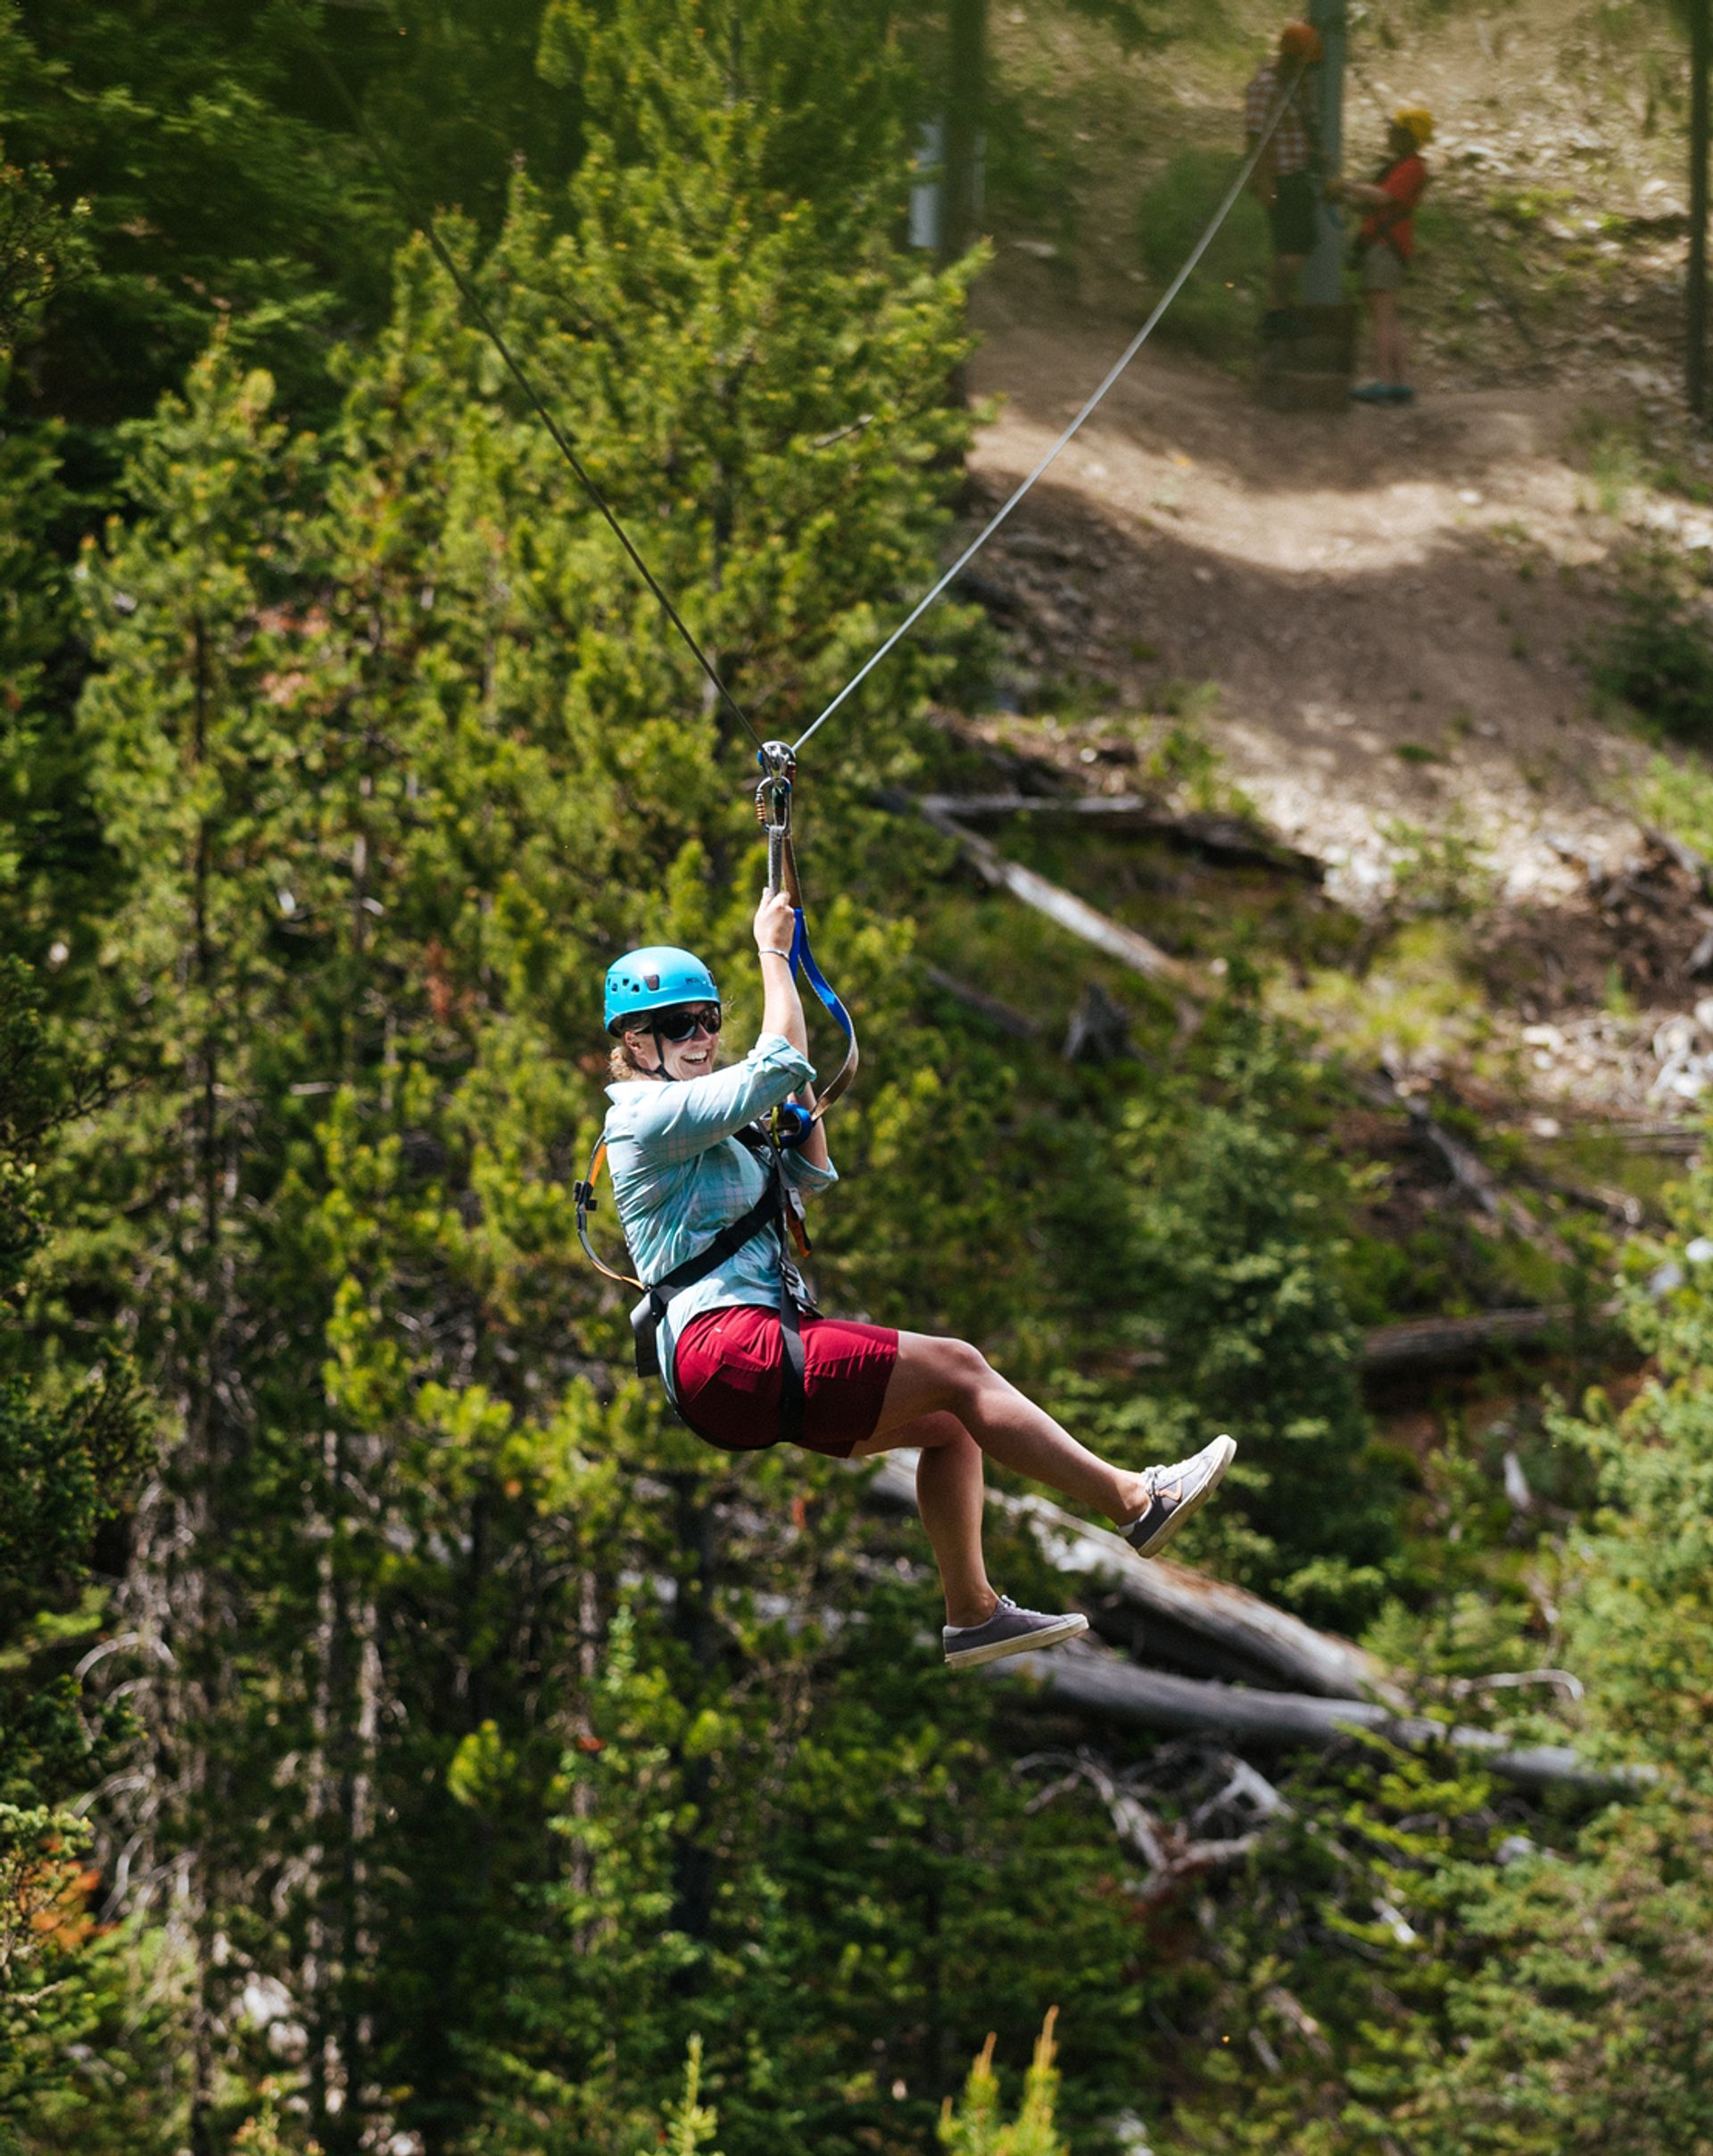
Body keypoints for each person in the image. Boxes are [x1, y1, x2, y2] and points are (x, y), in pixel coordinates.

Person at [599, 894, 1237, 1672]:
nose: (698, 1038)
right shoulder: (642, 1117)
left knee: (950, 1425)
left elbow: (810, 1171)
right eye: (675, 1026)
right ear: (634, 1042)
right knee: (961, 1367)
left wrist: (797, 1105)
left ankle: (972, 1613)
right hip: (730, 1348)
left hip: (738, 1367)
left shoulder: (709, 1120)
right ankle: (1136, 1501)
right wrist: (773, 953)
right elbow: (777, 1060)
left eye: (705, 1020)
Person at [1331, 106, 1434, 405]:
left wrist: (1348, 186)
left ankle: (1384, 380)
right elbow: (1376, 205)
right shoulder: (1400, 166)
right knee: (1387, 315)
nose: (1390, 135)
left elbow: (1382, 197)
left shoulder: (1411, 167)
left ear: (1407, 136)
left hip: (1387, 247)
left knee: (1382, 316)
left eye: (1396, 131)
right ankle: (1400, 381)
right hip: (1384, 245)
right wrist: (1345, 197)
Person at [1245, 21, 1326, 335]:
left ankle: (1279, 308)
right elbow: (1254, 137)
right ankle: (1276, 310)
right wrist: (1263, 181)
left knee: (1298, 244)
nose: (1308, 72)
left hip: (1300, 172)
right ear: (1290, 58)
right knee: (1291, 246)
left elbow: (1306, 123)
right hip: (1280, 177)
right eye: (1305, 65)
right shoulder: (1264, 86)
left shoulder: (1301, 84)